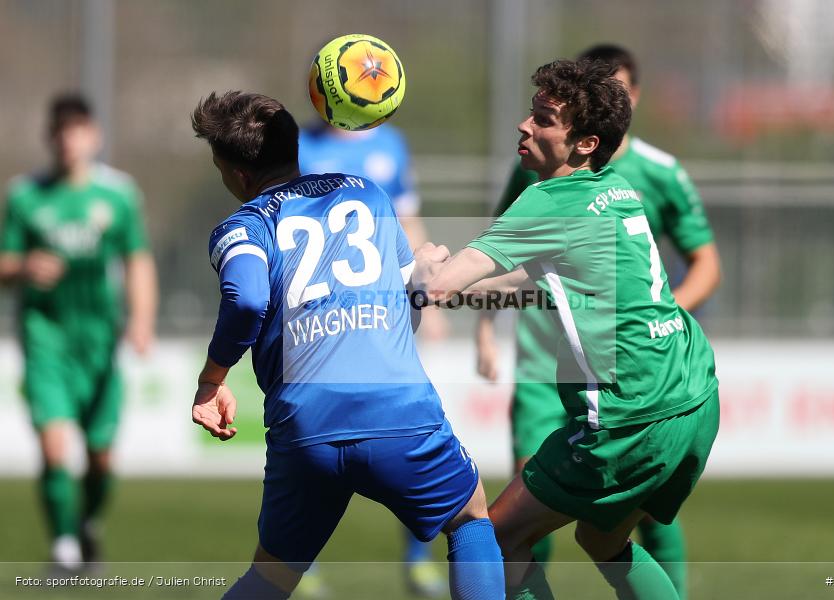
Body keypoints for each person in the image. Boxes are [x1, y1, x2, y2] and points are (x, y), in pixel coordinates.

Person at [414, 58, 719, 599]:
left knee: (496, 534)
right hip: (693, 394)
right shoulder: (615, 188)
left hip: (630, 413)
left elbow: (441, 285)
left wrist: (423, 268)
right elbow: (520, 281)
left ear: (585, 142)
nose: (524, 126)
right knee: (603, 542)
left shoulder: (548, 200)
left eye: (544, 119)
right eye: (531, 114)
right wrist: (448, 285)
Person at [189, 91, 504, 600]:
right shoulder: (368, 195)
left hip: (306, 427)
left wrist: (212, 379)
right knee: (470, 518)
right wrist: (424, 276)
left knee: (270, 577)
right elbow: (407, 309)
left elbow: (246, 299)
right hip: (397, 412)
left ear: (236, 174)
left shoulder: (244, 226)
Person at [0, 93, 157, 571]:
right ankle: (64, 545)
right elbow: (4, 263)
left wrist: (142, 321)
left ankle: (86, 522)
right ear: (50, 138)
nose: (69, 142)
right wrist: (24, 267)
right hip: (47, 333)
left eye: (78, 131)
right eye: (61, 132)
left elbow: (137, 259)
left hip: (100, 337)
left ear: (95, 136)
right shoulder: (24, 196)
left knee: (101, 456)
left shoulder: (119, 195)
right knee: (52, 445)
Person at [298, 120, 448, 597]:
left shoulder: (391, 145)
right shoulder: (300, 145)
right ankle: (301, 560)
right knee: (311, 438)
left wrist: (427, 294)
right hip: (320, 315)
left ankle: (418, 559)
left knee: (416, 427)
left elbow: (408, 217)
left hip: (385, 308)